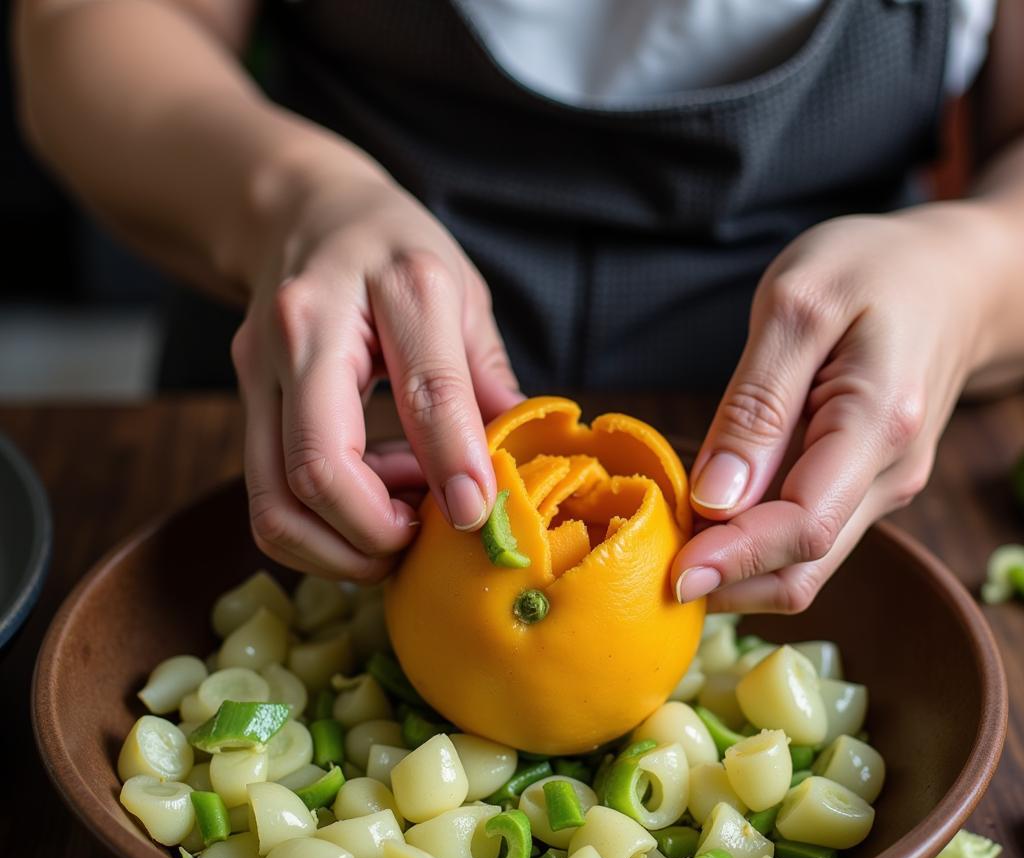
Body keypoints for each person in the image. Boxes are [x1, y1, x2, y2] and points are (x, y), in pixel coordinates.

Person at [14, 0, 1024, 613]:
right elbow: (85, 27)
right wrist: (295, 199)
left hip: (847, 490)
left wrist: (967, 277)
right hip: (310, 411)